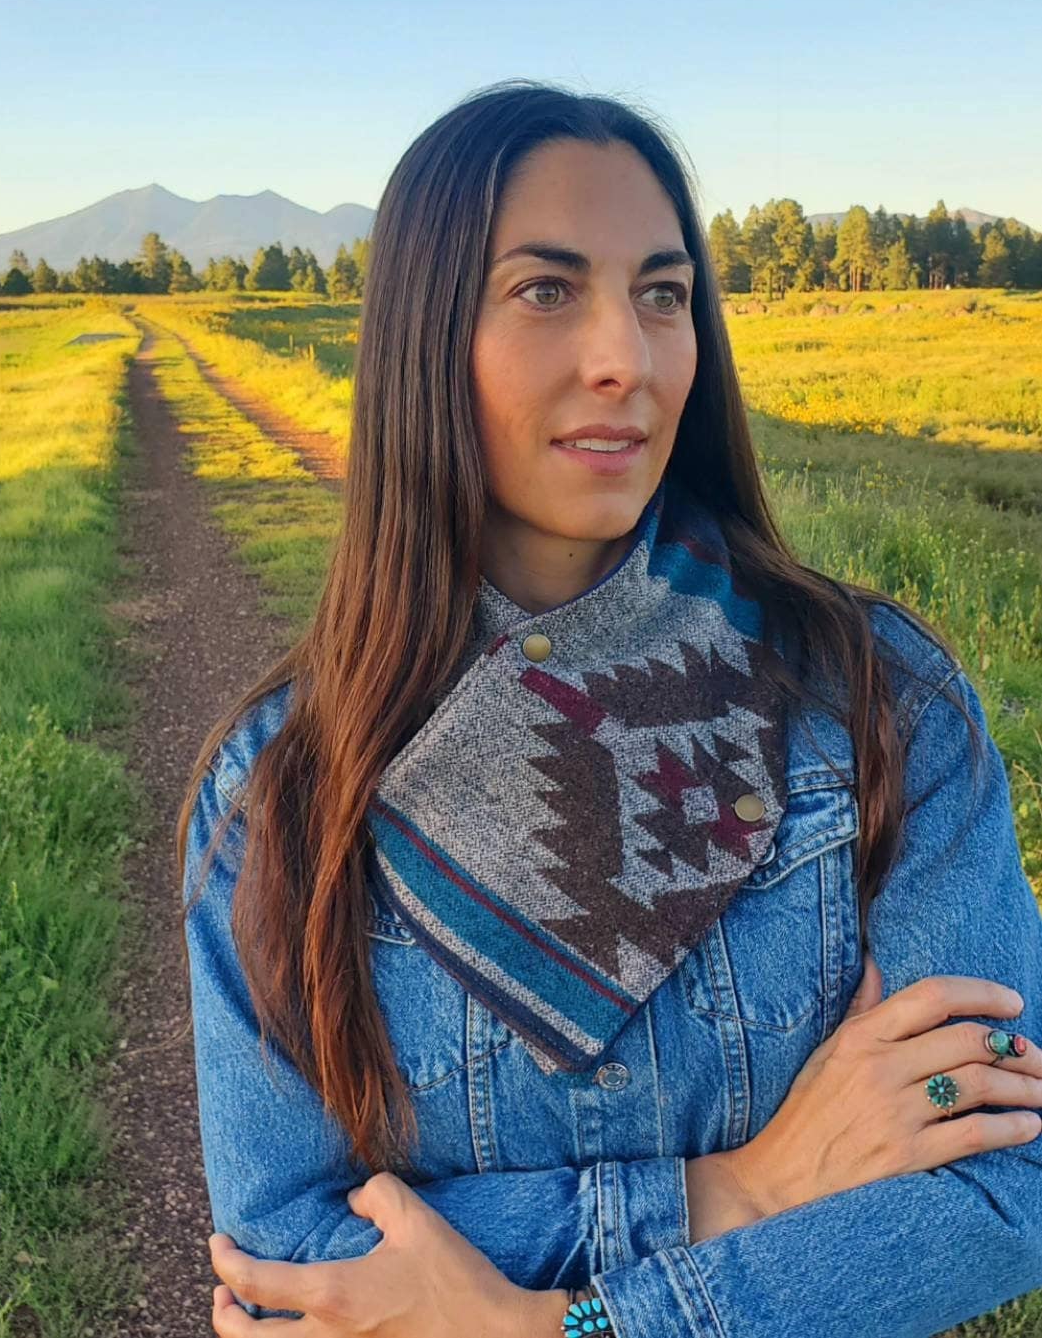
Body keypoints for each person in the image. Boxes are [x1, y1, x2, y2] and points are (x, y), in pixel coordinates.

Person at [176, 80, 1042, 1338]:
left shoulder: (878, 700)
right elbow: (282, 1255)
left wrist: (565, 1327)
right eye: (545, 289)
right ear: (424, 337)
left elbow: (1010, 1168)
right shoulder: (282, 792)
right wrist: (733, 1188)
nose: (625, 359)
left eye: (662, 293)